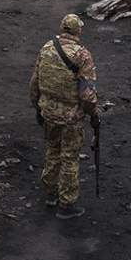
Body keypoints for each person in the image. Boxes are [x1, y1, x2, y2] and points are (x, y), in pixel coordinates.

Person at [30, 13, 99, 219]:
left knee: (52, 150)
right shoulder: (83, 56)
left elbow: (35, 81)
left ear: (61, 29)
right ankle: (66, 204)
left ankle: (51, 193)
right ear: (79, 31)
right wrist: (93, 113)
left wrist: (37, 107)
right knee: (69, 158)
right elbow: (87, 93)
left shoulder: (47, 48)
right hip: (71, 118)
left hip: (49, 113)